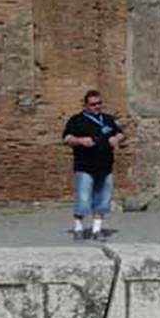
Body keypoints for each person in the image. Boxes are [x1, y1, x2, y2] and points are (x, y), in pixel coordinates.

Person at [62, 90, 124, 241]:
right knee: (83, 198)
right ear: (86, 105)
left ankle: (97, 230)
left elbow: (121, 133)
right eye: (93, 104)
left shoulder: (108, 119)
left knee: (103, 199)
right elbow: (66, 138)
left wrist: (117, 138)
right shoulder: (76, 120)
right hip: (84, 166)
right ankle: (78, 227)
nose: (97, 106)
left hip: (105, 166)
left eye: (99, 103)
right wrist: (80, 141)